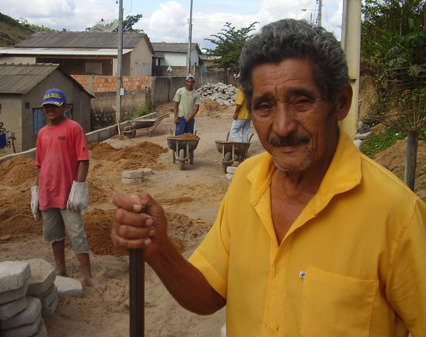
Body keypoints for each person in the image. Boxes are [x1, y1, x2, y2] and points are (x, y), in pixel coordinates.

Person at [111, 19, 426, 336]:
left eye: (301, 101)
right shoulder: (247, 181)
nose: (283, 126)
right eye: (264, 106)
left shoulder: (396, 213)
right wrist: (158, 247)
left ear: (341, 102)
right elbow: (209, 295)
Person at [31, 88, 102, 290]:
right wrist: (36, 192)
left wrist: (79, 188)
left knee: (77, 235)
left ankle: (87, 276)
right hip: (47, 193)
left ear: (64, 107)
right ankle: (61, 270)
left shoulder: (74, 129)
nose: (50, 109)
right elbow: (39, 164)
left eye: (54, 105)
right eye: (46, 106)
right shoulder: (43, 133)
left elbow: (83, 160)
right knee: (55, 236)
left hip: (68, 194)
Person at [230, 75, 251, 142]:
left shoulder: (241, 89)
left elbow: (239, 103)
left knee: (234, 131)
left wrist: (236, 113)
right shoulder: (250, 89)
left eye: (238, 79)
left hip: (241, 115)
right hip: (249, 115)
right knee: (245, 132)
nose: (237, 81)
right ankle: (244, 149)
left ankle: (240, 146)